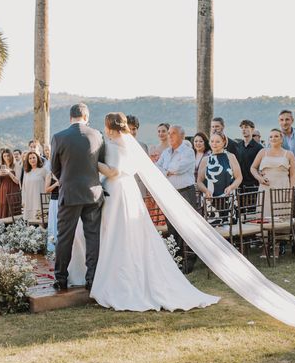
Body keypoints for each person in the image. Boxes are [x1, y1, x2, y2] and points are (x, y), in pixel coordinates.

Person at [60, 116, 295, 352]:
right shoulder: (119, 144)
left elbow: (119, 173)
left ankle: (119, 280)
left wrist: (97, 168)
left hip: (119, 193)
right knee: (125, 240)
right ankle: (115, 275)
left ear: (111, 129)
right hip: (119, 199)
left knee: (125, 239)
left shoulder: (117, 148)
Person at [65, 113, 221, 311]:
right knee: (119, 233)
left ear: (110, 127)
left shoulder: (115, 144)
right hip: (126, 190)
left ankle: (114, 276)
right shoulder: (126, 143)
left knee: (114, 234)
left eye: (106, 126)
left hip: (117, 190)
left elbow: (113, 171)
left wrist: (91, 162)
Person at [50, 103, 105, 290]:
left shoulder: (59, 137)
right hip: (93, 194)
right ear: (86, 117)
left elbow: (54, 168)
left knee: (64, 237)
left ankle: (61, 279)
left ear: (70, 117)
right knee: (92, 237)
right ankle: (92, 279)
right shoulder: (97, 135)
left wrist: (66, 180)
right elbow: (101, 163)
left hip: (70, 194)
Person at [156, 125, 198, 272]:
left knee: (187, 226)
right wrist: (167, 171)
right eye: (169, 134)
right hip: (169, 193)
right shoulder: (166, 152)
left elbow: (179, 168)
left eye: (173, 133)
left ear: (182, 136)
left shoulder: (188, 152)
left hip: (185, 192)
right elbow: (156, 168)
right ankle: (177, 258)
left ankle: (190, 260)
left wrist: (166, 170)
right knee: (172, 227)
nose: (170, 136)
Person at [250, 129, 295, 257]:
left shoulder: (289, 154)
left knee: (279, 215)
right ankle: (265, 246)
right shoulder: (262, 152)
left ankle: (276, 246)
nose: (273, 138)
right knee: (264, 215)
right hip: (265, 188)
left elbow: (293, 175)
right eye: (271, 136)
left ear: (281, 139)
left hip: (282, 187)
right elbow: (253, 168)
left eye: (276, 136)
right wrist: (259, 178)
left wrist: (291, 191)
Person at [197, 132, 242, 198]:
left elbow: (239, 178)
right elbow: (199, 181)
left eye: (217, 142)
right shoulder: (205, 159)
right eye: (212, 141)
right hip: (210, 199)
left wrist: (231, 187)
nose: (214, 144)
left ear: (224, 142)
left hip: (228, 197)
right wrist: (206, 191)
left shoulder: (231, 157)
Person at [21, 151, 50, 223]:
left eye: (34, 157)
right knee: (29, 221)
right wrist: (23, 200)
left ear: (37, 158)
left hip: (40, 200)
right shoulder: (26, 172)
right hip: (29, 200)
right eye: (30, 158)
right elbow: (23, 187)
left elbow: (48, 184)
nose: (32, 160)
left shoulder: (43, 170)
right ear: (28, 160)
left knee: (41, 220)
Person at [0, 148, 21, 219]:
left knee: (11, 209)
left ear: (11, 156)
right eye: (4, 156)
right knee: (2, 209)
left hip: (12, 191)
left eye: (8, 156)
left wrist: (9, 173)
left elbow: (17, 181)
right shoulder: (0, 166)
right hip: (2, 191)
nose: (6, 158)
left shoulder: (16, 165)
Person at [126, 114, 149, 198]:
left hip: (141, 191)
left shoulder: (143, 146)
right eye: (129, 129)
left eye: (134, 129)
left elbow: (147, 169)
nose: (132, 132)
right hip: (126, 190)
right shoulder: (118, 147)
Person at [238, 120, 264, 191]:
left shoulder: (259, 148)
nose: (243, 129)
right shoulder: (237, 146)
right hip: (239, 185)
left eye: (246, 127)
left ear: (252, 129)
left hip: (254, 185)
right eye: (242, 128)